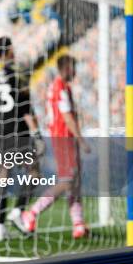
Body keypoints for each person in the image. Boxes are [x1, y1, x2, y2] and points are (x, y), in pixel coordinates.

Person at [0, 36, 44, 242]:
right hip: (17, 131)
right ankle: (18, 211)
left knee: (2, 178)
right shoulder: (17, 72)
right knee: (34, 173)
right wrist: (37, 135)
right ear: (10, 50)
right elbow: (26, 107)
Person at [22, 54, 90, 239]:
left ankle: (78, 224)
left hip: (62, 139)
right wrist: (81, 140)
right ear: (67, 68)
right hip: (64, 140)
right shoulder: (60, 87)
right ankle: (32, 212)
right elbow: (67, 117)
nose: (75, 72)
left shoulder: (56, 87)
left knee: (74, 182)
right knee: (67, 181)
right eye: (73, 67)